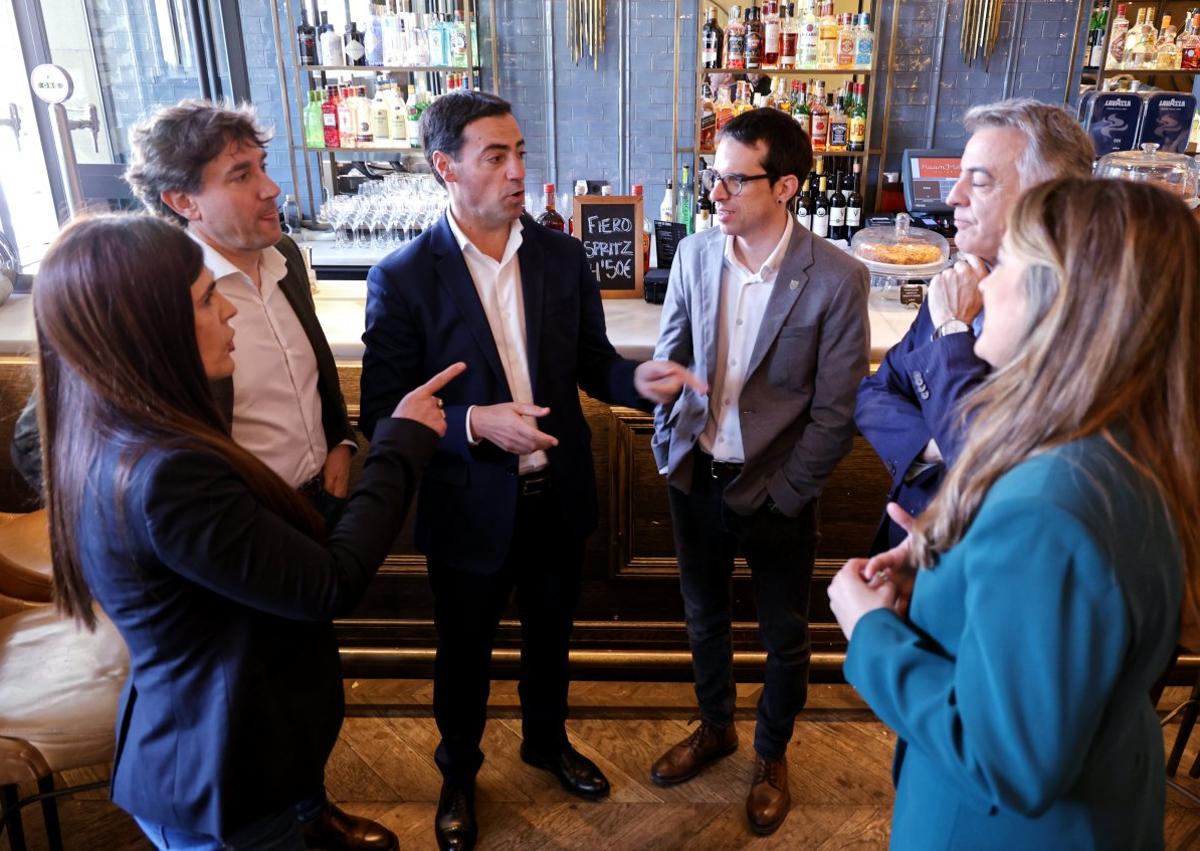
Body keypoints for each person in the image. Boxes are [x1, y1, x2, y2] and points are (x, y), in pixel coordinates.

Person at [12, 100, 388, 850]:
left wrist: (342, 439)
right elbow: (46, 439)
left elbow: (310, 374)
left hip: (304, 502)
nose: (272, 189)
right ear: (183, 200)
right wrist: (164, 519)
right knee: (245, 690)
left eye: (264, 167)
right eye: (242, 175)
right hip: (224, 538)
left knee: (291, 683)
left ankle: (307, 804)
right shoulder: (149, 301)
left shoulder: (286, 265)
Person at [36, 213, 460, 850]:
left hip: (245, 746)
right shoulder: (170, 472)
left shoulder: (122, 425)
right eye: (208, 300)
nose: (229, 315)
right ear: (152, 329)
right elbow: (329, 584)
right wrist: (399, 446)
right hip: (225, 778)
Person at [359, 90, 703, 851]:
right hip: (467, 502)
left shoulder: (561, 254)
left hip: (558, 493)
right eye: (496, 156)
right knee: (464, 652)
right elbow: (383, 413)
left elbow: (592, 364)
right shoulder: (404, 277)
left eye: (519, 152)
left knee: (551, 636)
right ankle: (459, 771)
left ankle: (545, 742)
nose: (519, 170)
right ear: (445, 167)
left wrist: (636, 382)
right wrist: (477, 424)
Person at [828, 177, 1200, 849]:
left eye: (1006, 267)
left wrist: (872, 630)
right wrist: (950, 570)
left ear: (1065, 302)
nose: (984, 285)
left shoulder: (1051, 504)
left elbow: (1007, 758)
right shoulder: (1138, 448)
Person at [647, 108, 869, 836]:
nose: (717, 193)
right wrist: (666, 444)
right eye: (715, 176)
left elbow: (836, 411)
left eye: (736, 180)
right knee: (704, 616)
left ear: (786, 186)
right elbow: (670, 362)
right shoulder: (694, 256)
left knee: (785, 635)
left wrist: (789, 490)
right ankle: (717, 726)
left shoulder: (836, 278)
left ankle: (771, 752)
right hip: (697, 476)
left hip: (777, 488)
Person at [854, 99, 1094, 552]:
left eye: (978, 181)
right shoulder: (962, 279)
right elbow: (875, 392)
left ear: (1046, 195)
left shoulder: (1084, 321)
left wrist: (952, 332)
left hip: (996, 571)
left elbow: (992, 470)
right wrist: (933, 442)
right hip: (911, 543)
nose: (952, 196)